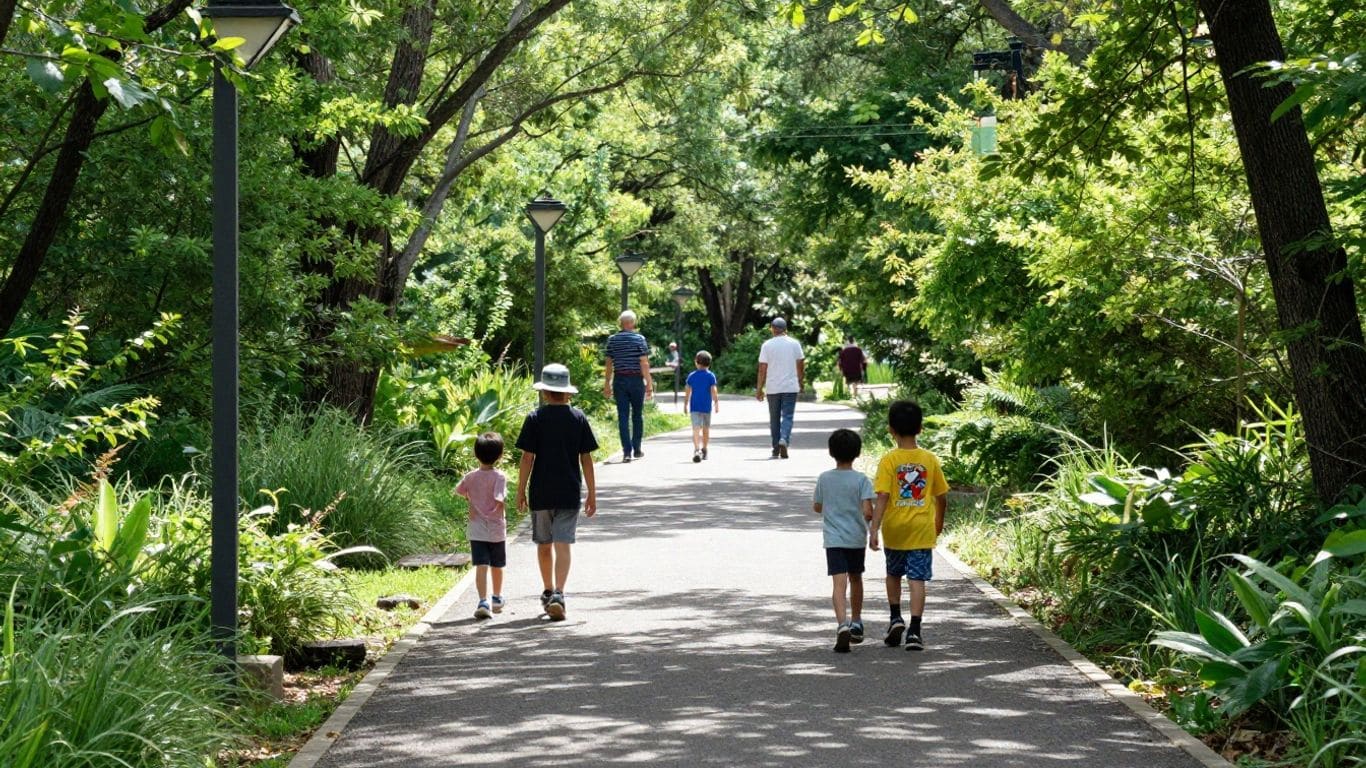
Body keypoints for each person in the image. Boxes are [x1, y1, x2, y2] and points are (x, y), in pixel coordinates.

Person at [515, 364, 599, 621]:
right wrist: (592, 493)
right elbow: (586, 458)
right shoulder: (578, 418)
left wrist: (520, 490)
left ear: (545, 393)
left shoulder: (534, 418)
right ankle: (560, 593)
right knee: (564, 544)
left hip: (541, 492)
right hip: (569, 491)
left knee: (543, 544)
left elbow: (527, 458)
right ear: (567, 393)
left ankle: (548, 590)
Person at [870, 400, 949, 651]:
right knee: (917, 579)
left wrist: (874, 528)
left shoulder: (888, 460)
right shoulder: (929, 459)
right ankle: (915, 631)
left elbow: (882, 496)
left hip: (895, 529)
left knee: (893, 573)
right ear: (921, 428)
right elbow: (941, 496)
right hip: (921, 529)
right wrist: (938, 522)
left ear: (891, 429)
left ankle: (895, 617)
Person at [813, 428, 875, 653]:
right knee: (856, 579)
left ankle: (842, 624)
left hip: (834, 540)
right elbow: (868, 511)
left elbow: (817, 506)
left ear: (832, 452)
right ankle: (857, 621)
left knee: (839, 584)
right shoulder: (861, 480)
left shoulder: (825, 478)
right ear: (857, 453)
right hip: (856, 539)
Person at [455, 432, 509, 620]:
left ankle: (482, 601)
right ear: (500, 455)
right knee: (497, 565)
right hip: (496, 528)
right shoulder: (500, 477)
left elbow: (459, 490)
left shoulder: (470, 477)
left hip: (476, 527)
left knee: (481, 565)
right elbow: (500, 498)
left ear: (476, 454)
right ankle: (497, 597)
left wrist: (471, 498)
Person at [603, 310, 654, 463]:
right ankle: (637, 449)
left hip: (619, 380)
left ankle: (626, 452)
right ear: (632, 323)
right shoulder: (639, 339)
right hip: (636, 380)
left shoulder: (612, 340)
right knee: (637, 415)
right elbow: (644, 363)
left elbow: (609, 364)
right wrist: (649, 384)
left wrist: (607, 383)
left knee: (623, 416)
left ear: (621, 323)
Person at [755, 317, 805, 459]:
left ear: (772, 328)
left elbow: (762, 369)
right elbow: (801, 365)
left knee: (774, 418)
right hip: (790, 387)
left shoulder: (767, 345)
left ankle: (776, 448)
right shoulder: (795, 344)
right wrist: (801, 382)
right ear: (785, 329)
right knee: (787, 416)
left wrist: (759, 388)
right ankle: (784, 439)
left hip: (773, 387)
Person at [683, 350, 719, 462]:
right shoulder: (711, 376)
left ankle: (696, 449)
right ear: (709, 363)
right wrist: (716, 403)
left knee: (696, 428)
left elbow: (687, 391)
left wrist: (685, 404)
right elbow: (713, 390)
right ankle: (704, 449)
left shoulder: (692, 376)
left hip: (695, 407)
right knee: (706, 429)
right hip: (706, 407)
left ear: (696, 362)